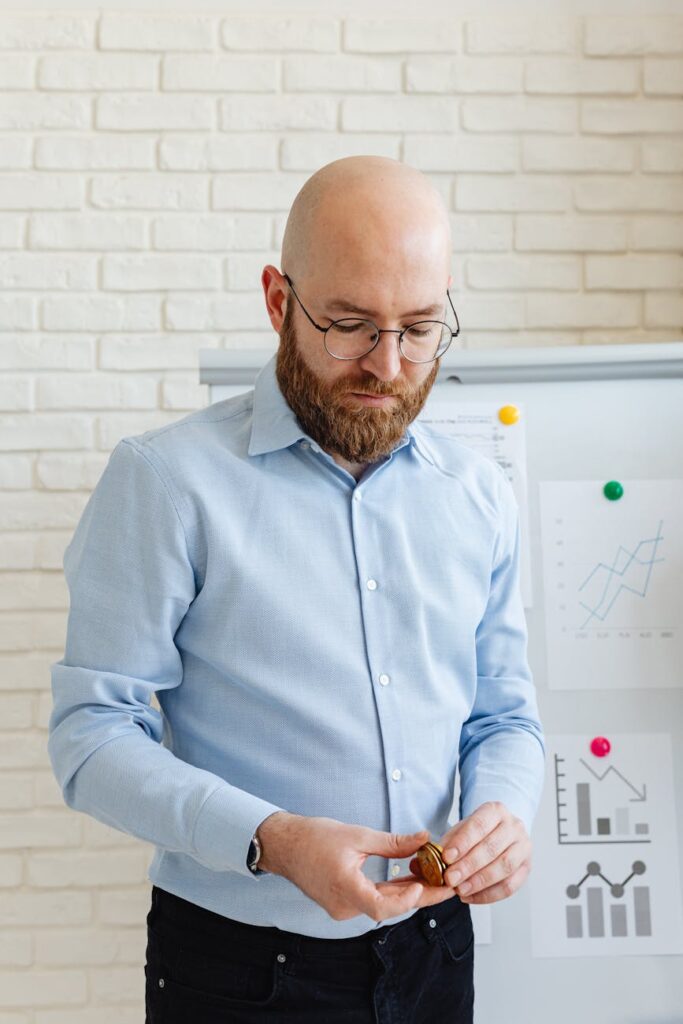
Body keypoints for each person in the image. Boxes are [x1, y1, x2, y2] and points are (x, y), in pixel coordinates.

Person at [47, 155, 545, 1023]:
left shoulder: (478, 496)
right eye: (349, 324)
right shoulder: (165, 482)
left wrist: (503, 808)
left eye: (420, 328)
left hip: (436, 954)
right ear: (280, 302)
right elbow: (91, 739)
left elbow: (502, 713)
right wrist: (270, 841)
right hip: (240, 970)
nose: (387, 365)